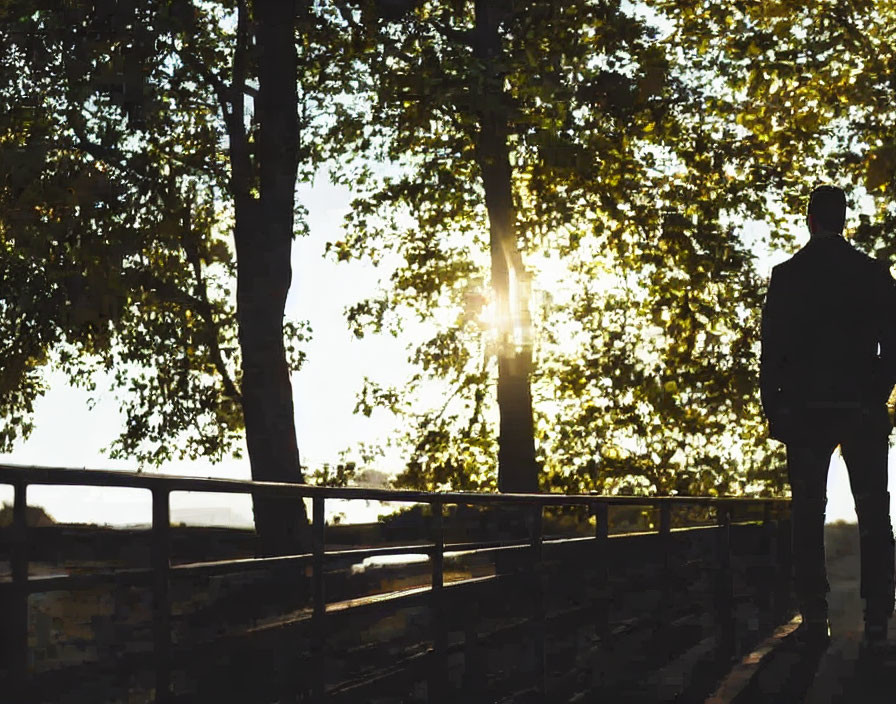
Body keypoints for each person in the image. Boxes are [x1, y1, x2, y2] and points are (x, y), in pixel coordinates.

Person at [760, 184, 896, 649]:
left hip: (804, 409)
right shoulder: (874, 274)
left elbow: (771, 350)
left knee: (807, 513)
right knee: (875, 513)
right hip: (859, 408)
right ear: (844, 219)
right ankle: (877, 615)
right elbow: (892, 345)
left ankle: (815, 614)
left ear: (809, 220)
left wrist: (773, 407)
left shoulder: (787, 275)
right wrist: (874, 395)